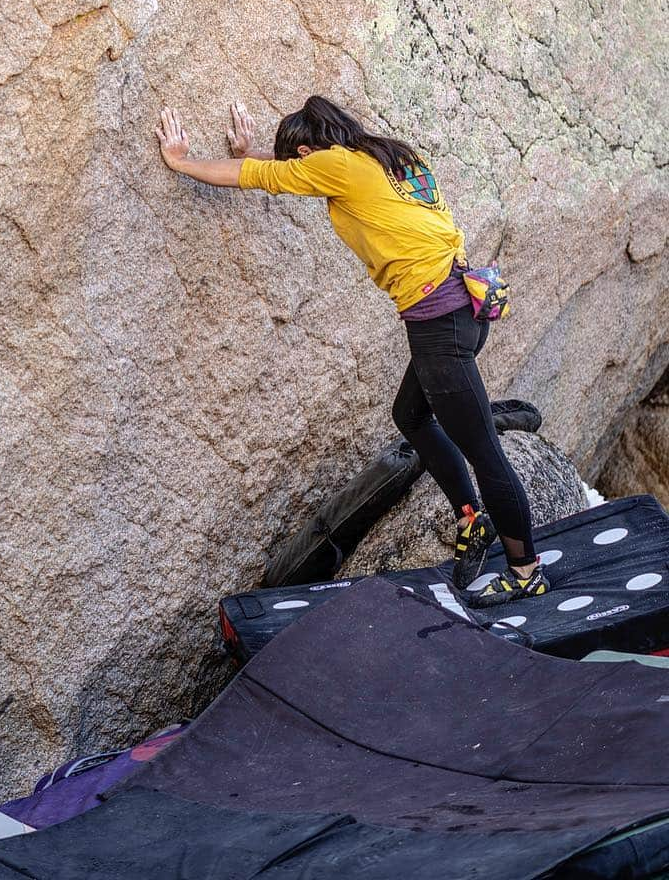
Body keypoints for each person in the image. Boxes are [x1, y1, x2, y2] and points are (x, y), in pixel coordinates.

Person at [154, 96, 549, 608]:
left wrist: (184, 161)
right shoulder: (391, 157)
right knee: (410, 414)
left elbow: (260, 177)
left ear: (306, 151)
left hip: (438, 325)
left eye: (301, 166)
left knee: (485, 452)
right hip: (463, 306)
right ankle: (471, 518)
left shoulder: (338, 166)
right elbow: (278, 174)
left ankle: (525, 571)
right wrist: (248, 155)